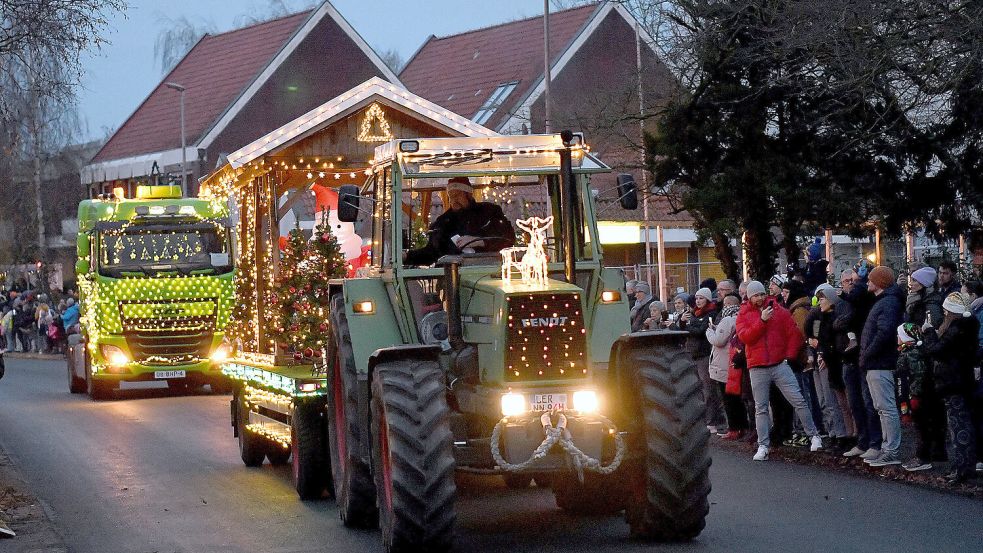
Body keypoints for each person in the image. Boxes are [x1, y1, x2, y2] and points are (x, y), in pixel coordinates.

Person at [736, 280, 823, 461]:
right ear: (749, 297)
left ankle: (814, 435)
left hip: (778, 364)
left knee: (797, 399)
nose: (759, 298)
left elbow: (794, 335)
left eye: (761, 294)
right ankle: (763, 445)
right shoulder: (744, 314)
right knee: (761, 408)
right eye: (755, 295)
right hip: (757, 366)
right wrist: (762, 321)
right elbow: (746, 337)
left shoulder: (780, 312)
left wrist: (788, 357)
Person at [921, 292, 980, 483]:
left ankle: (962, 469)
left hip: (953, 382)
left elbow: (935, 350)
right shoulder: (968, 327)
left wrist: (929, 332)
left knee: (958, 426)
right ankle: (965, 466)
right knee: (963, 425)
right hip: (961, 381)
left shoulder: (956, 330)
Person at [404, 176, 515, 266]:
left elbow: (508, 237)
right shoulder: (443, 222)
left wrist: (480, 240)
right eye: (450, 196)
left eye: (457, 195)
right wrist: (407, 256)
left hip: (488, 272)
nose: (454, 200)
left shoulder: (489, 212)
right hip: (454, 277)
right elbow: (432, 253)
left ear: (468, 194)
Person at [859, 266, 905, 467]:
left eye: (870, 279)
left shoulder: (888, 303)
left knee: (886, 408)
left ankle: (891, 450)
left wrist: (867, 353)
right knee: (881, 408)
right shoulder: (884, 302)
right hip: (876, 362)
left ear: (880, 283)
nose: (867, 282)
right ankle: (887, 448)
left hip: (881, 363)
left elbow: (884, 332)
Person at [895, 323, 944, 472]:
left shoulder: (912, 354)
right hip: (919, 395)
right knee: (926, 426)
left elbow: (917, 376)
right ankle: (932, 454)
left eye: (899, 335)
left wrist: (913, 396)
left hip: (917, 396)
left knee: (921, 427)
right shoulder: (914, 352)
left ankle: (922, 457)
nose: (897, 338)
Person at [677, 287, 724, 433]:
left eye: (701, 298)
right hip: (693, 354)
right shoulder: (693, 314)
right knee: (697, 389)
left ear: (708, 299)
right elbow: (684, 331)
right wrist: (683, 322)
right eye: (697, 298)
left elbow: (700, 331)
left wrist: (689, 325)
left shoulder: (711, 313)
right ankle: (702, 418)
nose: (698, 301)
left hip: (704, 354)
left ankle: (712, 420)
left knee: (708, 388)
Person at [809, 284, 850, 449]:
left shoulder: (837, 318)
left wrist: (824, 353)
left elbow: (835, 341)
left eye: (822, 298)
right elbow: (814, 336)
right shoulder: (818, 317)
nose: (819, 302)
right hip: (820, 358)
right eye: (818, 299)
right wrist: (814, 348)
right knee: (824, 399)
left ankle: (841, 434)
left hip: (831, 361)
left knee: (834, 400)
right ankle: (832, 432)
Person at [707, 294, 747, 439]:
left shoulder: (728, 319)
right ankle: (743, 426)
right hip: (735, 361)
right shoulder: (741, 317)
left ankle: (733, 428)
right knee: (738, 398)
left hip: (724, 363)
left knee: (728, 399)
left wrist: (710, 332)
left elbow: (719, 340)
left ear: (728, 304)